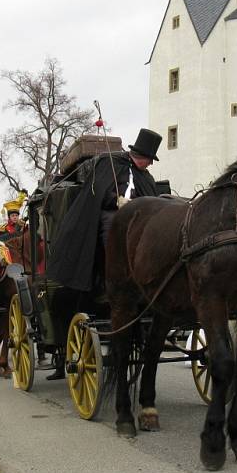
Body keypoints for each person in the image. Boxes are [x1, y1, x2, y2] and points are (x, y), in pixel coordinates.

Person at [44, 128, 163, 379]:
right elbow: (98, 193)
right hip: (111, 213)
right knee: (112, 227)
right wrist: (116, 200)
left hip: (142, 218)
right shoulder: (111, 165)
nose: (149, 163)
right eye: (148, 158)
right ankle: (117, 275)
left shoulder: (145, 177)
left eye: (151, 160)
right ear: (137, 154)